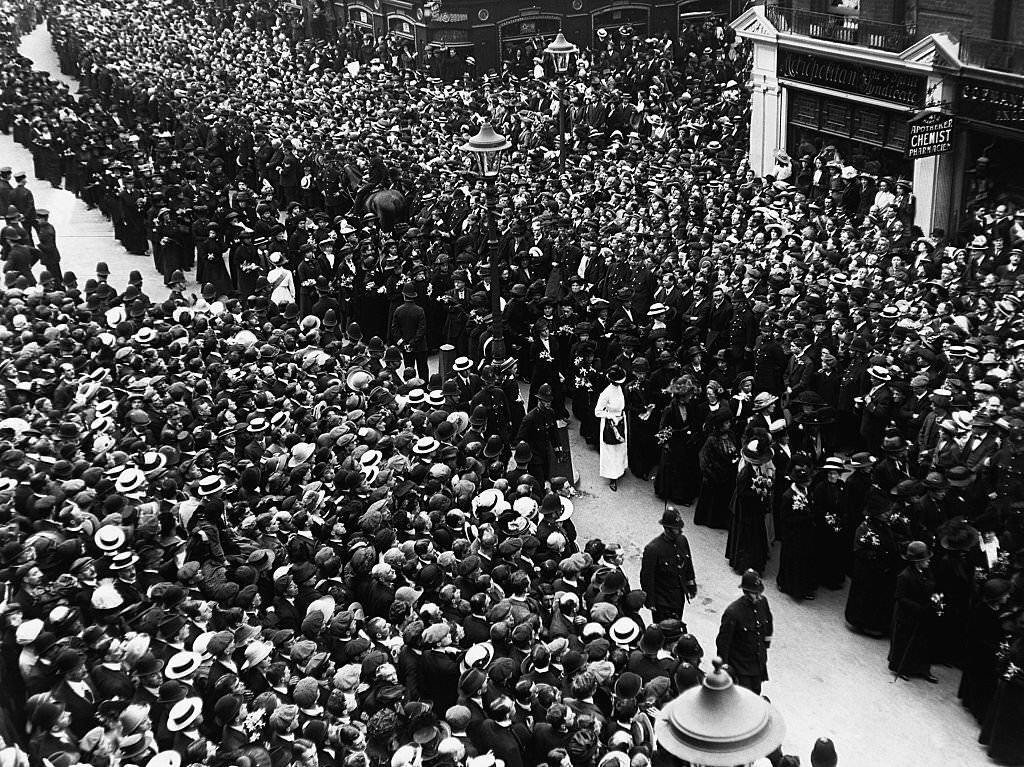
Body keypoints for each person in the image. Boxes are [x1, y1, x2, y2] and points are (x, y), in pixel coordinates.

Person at [888, 540, 941, 683]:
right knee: (905, 641)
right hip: (908, 615)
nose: (929, 561)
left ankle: (922, 668)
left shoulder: (927, 571)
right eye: (926, 559)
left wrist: (934, 598)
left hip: (924, 613)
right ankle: (903, 667)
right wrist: (919, 607)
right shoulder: (904, 576)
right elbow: (900, 597)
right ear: (918, 561)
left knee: (924, 641)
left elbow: (932, 586)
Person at [716, 569, 773, 693]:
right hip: (740, 667)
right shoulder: (733, 613)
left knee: (756, 694)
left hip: (757, 664)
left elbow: (768, 624)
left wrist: (765, 646)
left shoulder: (763, 603)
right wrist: (723, 669)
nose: (758, 596)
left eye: (759, 592)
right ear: (746, 592)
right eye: (754, 593)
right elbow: (723, 643)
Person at [639, 506, 697, 625]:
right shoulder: (653, 549)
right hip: (662, 602)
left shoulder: (682, 540)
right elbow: (647, 577)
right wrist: (650, 601)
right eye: (676, 529)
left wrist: (691, 585)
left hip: (678, 598)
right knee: (664, 632)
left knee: (676, 627)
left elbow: (688, 564)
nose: (680, 531)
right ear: (668, 529)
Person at [727, 435, 775, 575]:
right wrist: (759, 493)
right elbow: (742, 494)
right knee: (747, 537)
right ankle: (745, 564)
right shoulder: (745, 474)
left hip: (755, 509)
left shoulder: (758, 470)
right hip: (745, 510)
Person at [693, 407, 738, 530]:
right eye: (726, 423)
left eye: (729, 422)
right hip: (715, 475)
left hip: (728, 474)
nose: (729, 425)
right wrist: (712, 472)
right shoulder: (712, 439)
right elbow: (704, 458)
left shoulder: (731, 435)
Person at [595, 365, 628, 491]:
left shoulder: (620, 389)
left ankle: (620, 468)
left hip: (621, 420)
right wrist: (610, 416)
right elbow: (597, 412)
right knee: (610, 450)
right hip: (610, 423)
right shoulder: (606, 393)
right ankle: (612, 477)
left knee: (620, 447)